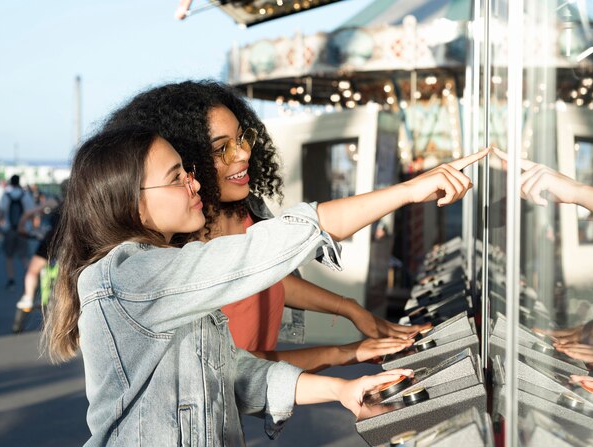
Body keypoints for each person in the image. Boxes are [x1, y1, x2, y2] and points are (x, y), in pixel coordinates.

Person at [43, 126, 487, 446]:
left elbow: (232, 373)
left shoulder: (163, 271)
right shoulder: (128, 275)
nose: (195, 182)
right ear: (132, 204)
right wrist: (406, 192)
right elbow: (257, 253)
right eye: (177, 177)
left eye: (188, 170)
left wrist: (341, 388)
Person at [103, 80, 431, 372]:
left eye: (242, 139)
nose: (243, 153)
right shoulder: (166, 265)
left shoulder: (245, 211)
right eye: (221, 149)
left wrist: (350, 310)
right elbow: (234, 373)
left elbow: (270, 275)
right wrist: (408, 191)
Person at [14, 180, 66, 312]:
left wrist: (21, 226)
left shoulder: (55, 201)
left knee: (32, 271)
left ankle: (29, 298)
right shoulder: (80, 204)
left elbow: (28, 214)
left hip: (51, 241)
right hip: (70, 244)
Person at [0, 175, 34, 289]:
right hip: (23, 229)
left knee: (9, 256)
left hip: (9, 229)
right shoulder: (25, 195)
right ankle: (31, 278)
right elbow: (30, 211)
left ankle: (11, 280)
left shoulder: (6, 195)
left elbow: (1, 211)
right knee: (24, 256)